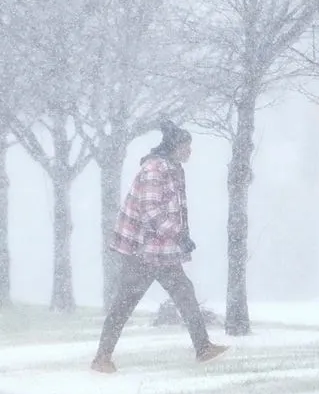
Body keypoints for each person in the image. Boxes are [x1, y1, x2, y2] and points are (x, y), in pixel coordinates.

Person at [91, 121, 228, 373]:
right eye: (187, 146)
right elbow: (151, 211)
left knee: (184, 293)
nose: (190, 152)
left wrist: (179, 237)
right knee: (124, 303)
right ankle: (102, 358)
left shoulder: (173, 168)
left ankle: (203, 348)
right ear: (175, 146)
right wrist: (179, 235)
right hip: (142, 252)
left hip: (161, 251)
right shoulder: (155, 169)